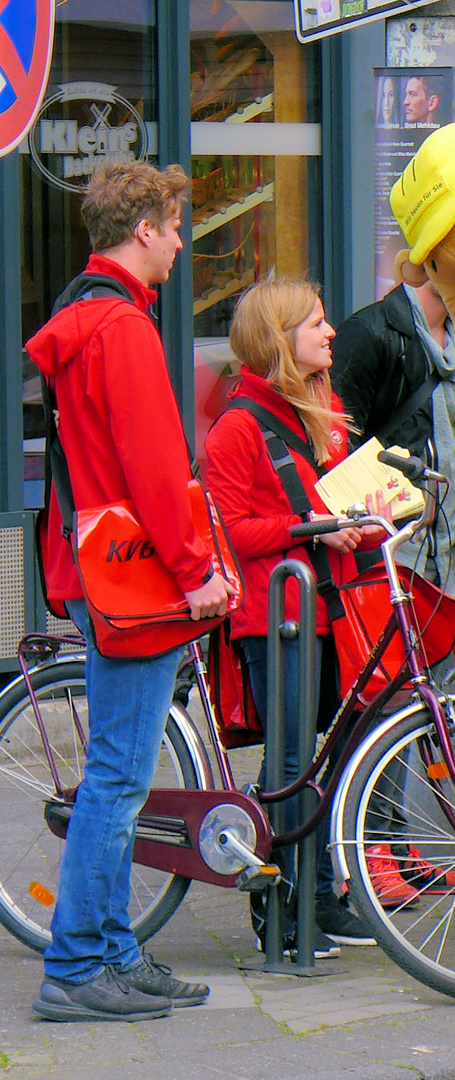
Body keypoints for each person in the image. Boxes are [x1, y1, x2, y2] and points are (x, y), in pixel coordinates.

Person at [26, 161, 234, 1023]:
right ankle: (76, 966)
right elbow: (156, 468)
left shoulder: (83, 317)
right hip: (140, 576)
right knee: (118, 778)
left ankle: (114, 951)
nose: (183, 242)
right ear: (142, 230)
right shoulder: (126, 331)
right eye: (176, 226)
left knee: (118, 773)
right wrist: (199, 571)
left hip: (91, 567)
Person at [204, 277, 383, 954]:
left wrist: (368, 515)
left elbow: (333, 504)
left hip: (331, 609)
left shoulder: (324, 406)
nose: (331, 331)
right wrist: (306, 528)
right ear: (281, 341)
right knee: (289, 763)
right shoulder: (237, 427)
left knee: (332, 755)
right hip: (275, 617)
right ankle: (282, 905)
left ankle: (322, 894)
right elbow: (228, 531)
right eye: (315, 323)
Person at [331, 278, 455, 905]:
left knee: (423, 711)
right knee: (386, 707)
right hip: (391, 558)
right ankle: (369, 853)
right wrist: (393, 510)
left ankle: (398, 849)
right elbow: (336, 442)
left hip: (446, 555)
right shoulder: (373, 333)